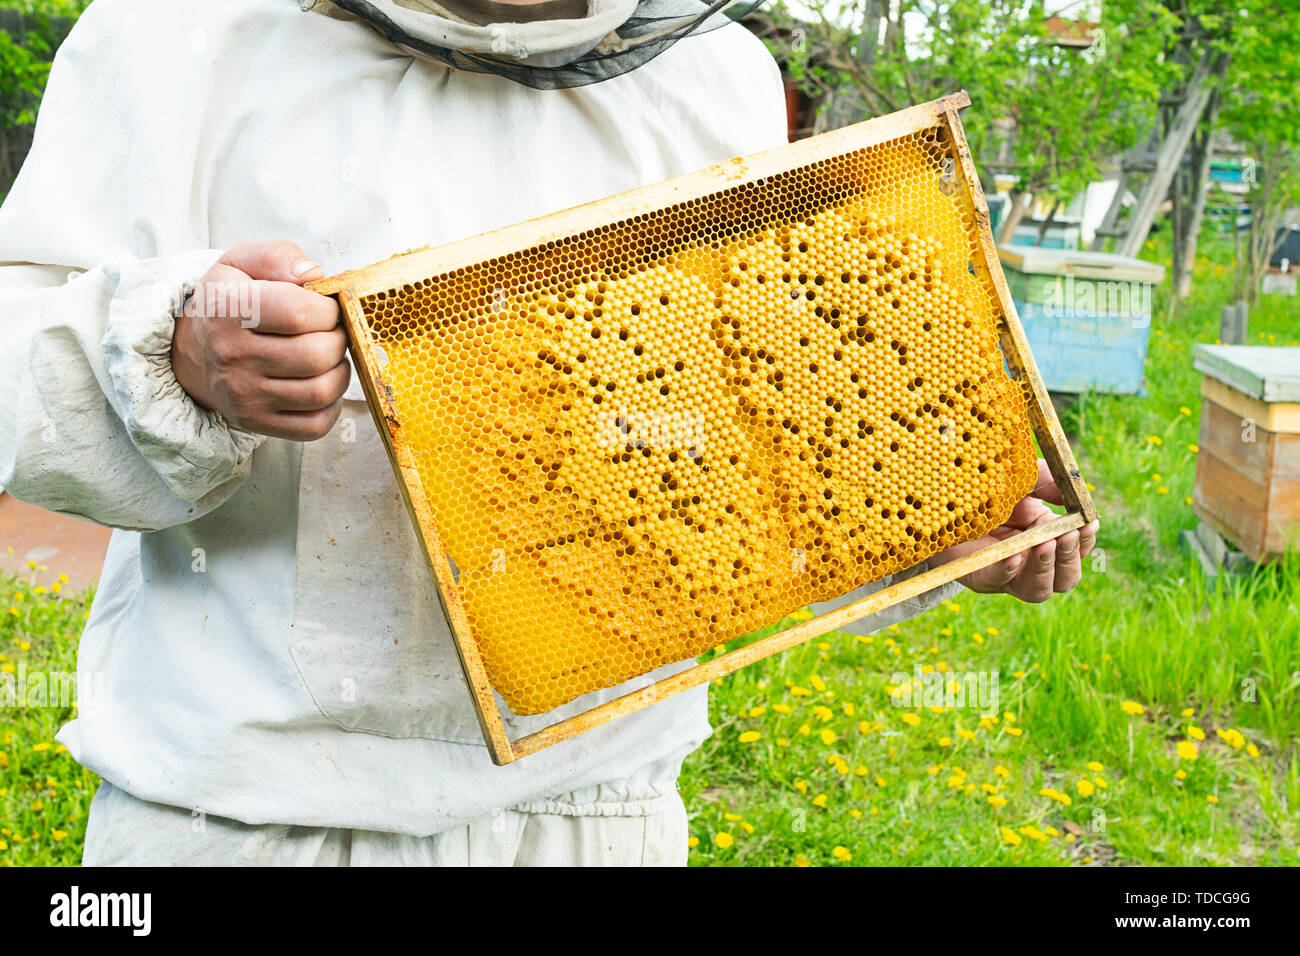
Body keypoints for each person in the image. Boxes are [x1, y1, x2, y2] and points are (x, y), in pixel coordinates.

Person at [0, 0, 1097, 866]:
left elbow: (759, 439)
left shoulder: (715, 76)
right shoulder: (174, 33)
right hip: (249, 816)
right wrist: (177, 346)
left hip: (597, 809)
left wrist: (922, 525)